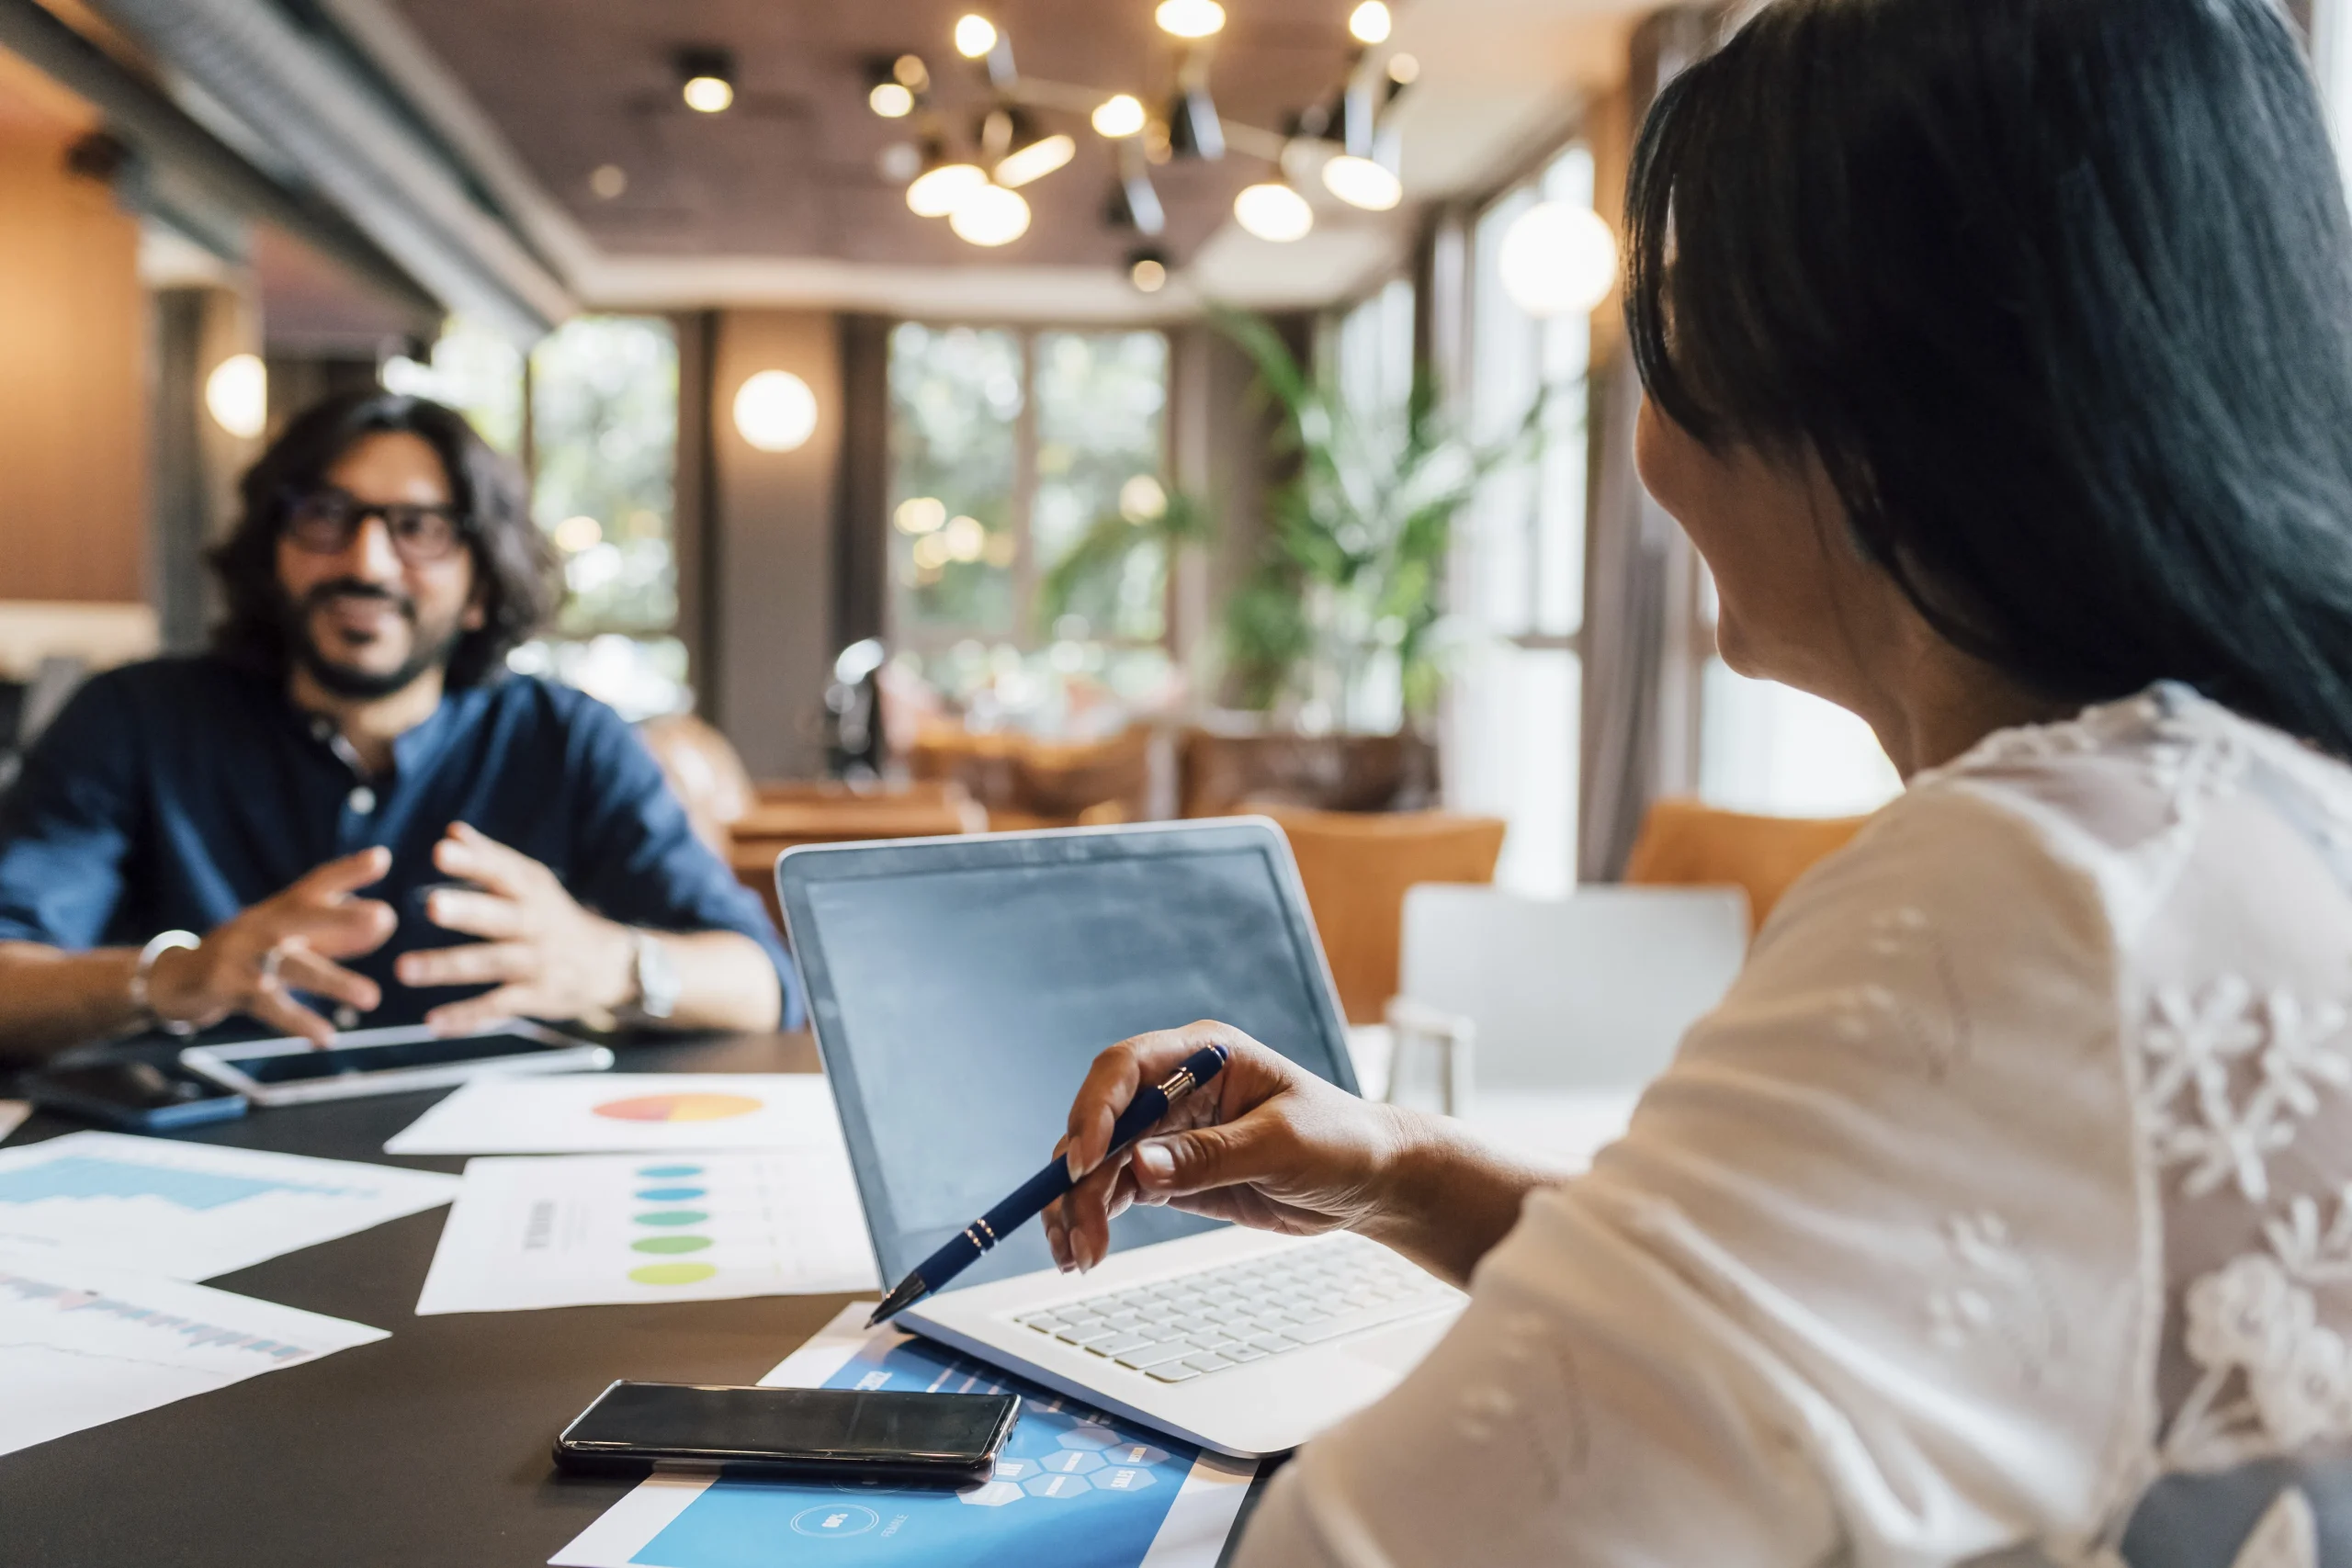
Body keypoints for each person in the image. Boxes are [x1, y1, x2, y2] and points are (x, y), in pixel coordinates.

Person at [1047, 1, 2352, 1562]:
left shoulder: (2045, 882)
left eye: (1665, 328)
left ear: (1876, 392)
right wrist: (1402, 1170)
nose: (1648, 438)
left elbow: (1369, 1544)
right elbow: (1872, 1331)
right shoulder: (2254, 812)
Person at [0, 391, 794, 1062]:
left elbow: (767, 984)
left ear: (481, 583)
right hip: (189, 1181)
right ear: (273, 553)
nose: (368, 562)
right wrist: (170, 977)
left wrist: (615, 963)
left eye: (420, 527)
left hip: (496, 1179)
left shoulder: (567, 738)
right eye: (325, 516)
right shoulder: (134, 720)